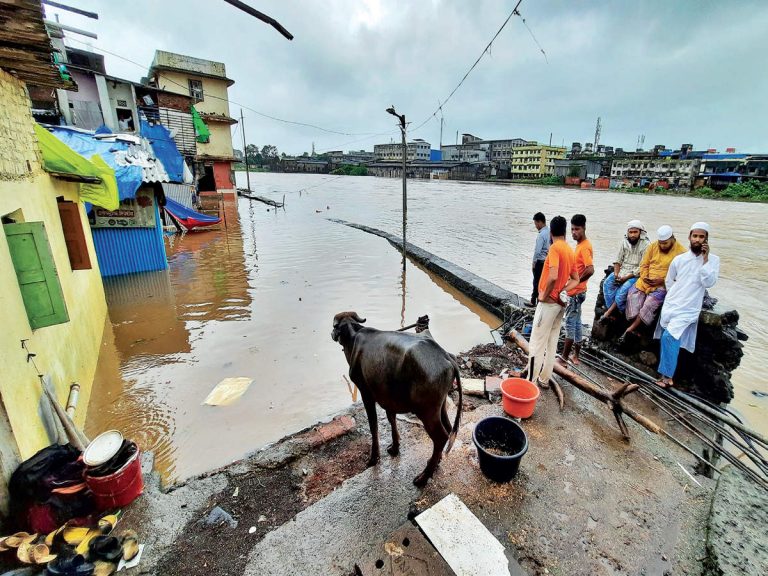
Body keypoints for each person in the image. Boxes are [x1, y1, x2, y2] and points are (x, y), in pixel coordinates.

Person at [653, 223, 719, 388]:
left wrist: (705, 260)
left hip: (689, 308)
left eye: (701, 237)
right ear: (689, 238)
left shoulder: (713, 260)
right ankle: (664, 374)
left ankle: (667, 377)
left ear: (706, 239)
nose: (697, 240)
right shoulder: (680, 259)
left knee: (670, 336)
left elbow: (709, 282)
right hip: (672, 304)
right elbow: (669, 280)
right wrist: (672, 295)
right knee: (667, 337)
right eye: (694, 236)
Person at [527, 215, 578, 387]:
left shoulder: (555, 248)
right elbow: (576, 279)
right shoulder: (570, 250)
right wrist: (563, 290)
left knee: (537, 343)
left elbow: (553, 276)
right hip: (559, 304)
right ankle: (545, 378)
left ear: (551, 232)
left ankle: (530, 382)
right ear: (564, 231)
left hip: (548, 303)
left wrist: (544, 294)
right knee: (552, 341)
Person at [620, 225, 686, 343]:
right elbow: (644, 265)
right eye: (661, 243)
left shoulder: (681, 253)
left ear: (672, 239)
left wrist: (663, 281)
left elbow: (681, 275)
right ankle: (637, 328)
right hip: (646, 281)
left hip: (663, 285)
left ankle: (630, 329)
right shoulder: (652, 246)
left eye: (665, 243)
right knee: (632, 295)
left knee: (650, 303)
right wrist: (645, 277)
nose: (662, 246)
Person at [599, 220, 650, 323]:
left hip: (635, 275)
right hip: (622, 271)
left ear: (640, 232)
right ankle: (613, 312)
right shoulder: (624, 242)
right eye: (630, 232)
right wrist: (617, 275)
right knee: (607, 284)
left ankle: (617, 313)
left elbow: (643, 267)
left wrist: (626, 278)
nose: (632, 235)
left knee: (621, 292)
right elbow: (618, 261)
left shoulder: (646, 245)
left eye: (635, 232)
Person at [560, 214, 594, 365]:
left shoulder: (584, 247)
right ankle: (576, 356)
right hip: (579, 292)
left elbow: (590, 269)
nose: (574, 232)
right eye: (572, 229)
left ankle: (563, 358)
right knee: (577, 323)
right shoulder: (581, 245)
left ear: (584, 228)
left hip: (575, 293)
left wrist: (575, 281)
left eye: (577, 229)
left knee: (569, 324)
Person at [526, 212, 550, 307]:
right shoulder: (549, 232)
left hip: (540, 262)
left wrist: (534, 262)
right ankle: (541, 302)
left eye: (536, 224)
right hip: (547, 261)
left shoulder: (541, 235)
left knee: (536, 281)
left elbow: (537, 251)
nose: (536, 226)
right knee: (543, 282)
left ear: (539, 222)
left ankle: (533, 301)